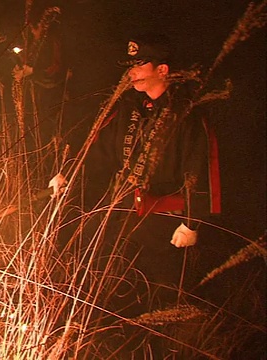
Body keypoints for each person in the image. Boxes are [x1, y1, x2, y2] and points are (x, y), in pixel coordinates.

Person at [54, 33, 222, 311]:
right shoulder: (129, 107)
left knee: (167, 285)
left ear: (162, 69)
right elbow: (100, 149)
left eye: (139, 66)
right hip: (124, 208)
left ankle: (170, 335)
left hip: (167, 216)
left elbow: (201, 165)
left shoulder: (187, 111)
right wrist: (69, 174)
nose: (131, 73)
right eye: (130, 67)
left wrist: (192, 221)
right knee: (118, 276)